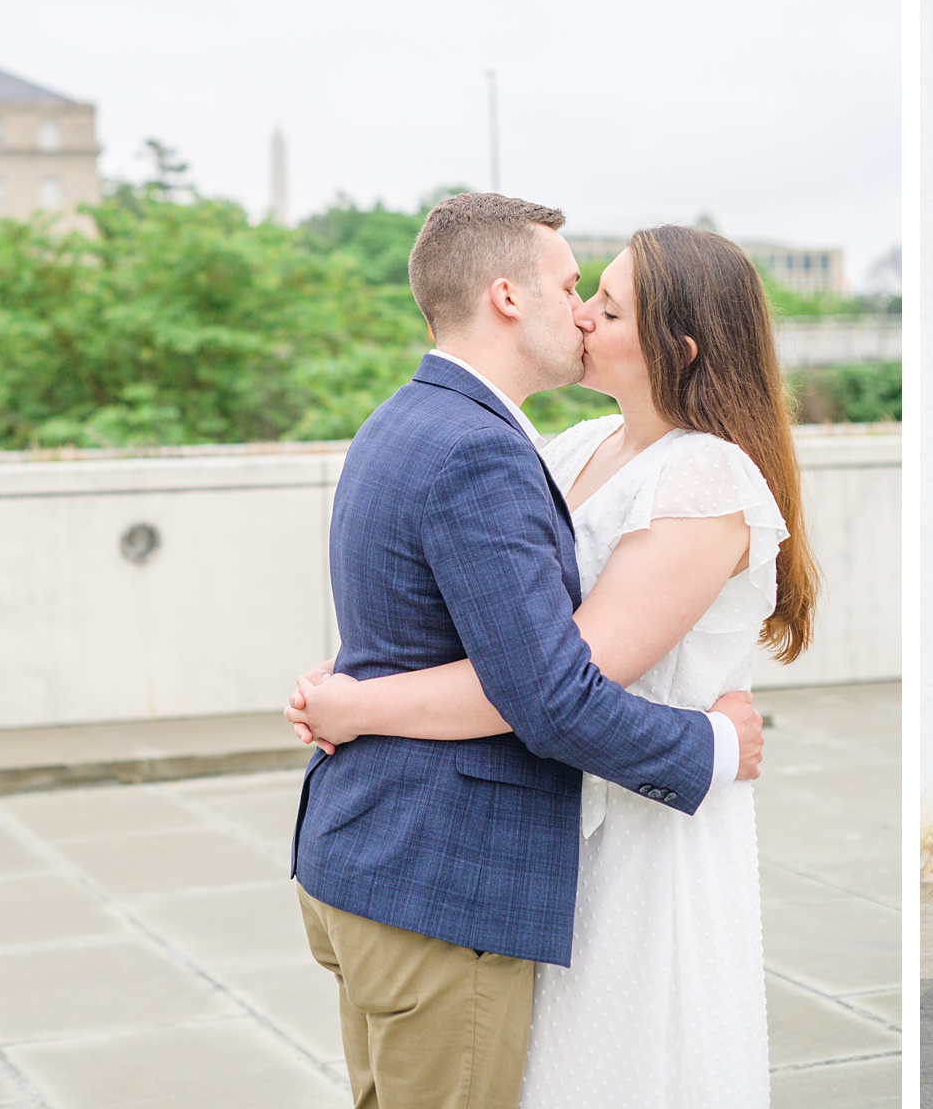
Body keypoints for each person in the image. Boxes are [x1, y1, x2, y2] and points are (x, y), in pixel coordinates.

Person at [291, 222, 817, 1108]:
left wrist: (362, 704)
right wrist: (359, 684)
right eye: (583, 295)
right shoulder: (571, 445)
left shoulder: (703, 481)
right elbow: (499, 633)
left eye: (605, 307)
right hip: (550, 812)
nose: (579, 316)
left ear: (676, 349)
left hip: (637, 819)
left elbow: (556, 683)